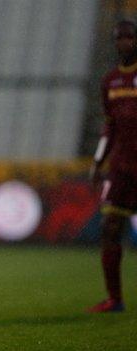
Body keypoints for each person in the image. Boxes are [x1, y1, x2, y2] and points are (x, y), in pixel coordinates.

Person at [88, 20, 137, 313]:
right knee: (109, 226)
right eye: (119, 38)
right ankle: (115, 298)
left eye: (129, 38)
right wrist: (97, 161)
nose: (124, 43)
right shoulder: (110, 82)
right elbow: (109, 127)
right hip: (120, 167)